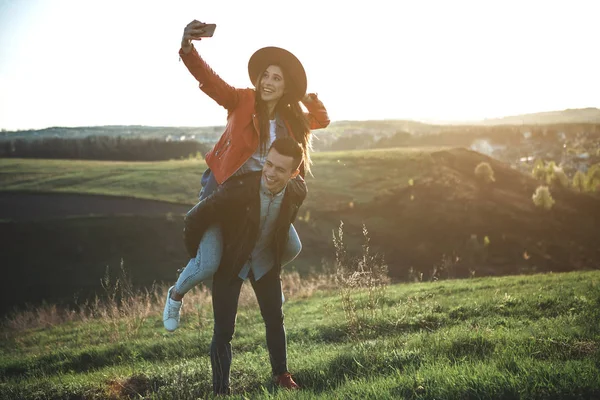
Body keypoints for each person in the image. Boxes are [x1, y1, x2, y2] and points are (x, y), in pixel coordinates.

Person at [163, 20, 330, 331]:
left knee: (292, 247)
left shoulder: (292, 119)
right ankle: (175, 295)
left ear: (285, 87)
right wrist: (188, 49)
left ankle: (258, 269)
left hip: (259, 200)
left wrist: (311, 100)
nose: (267, 81)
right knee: (209, 263)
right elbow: (210, 81)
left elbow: (321, 120)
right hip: (224, 195)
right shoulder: (241, 100)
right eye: (265, 75)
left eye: (276, 78)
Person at [184, 137, 307, 394]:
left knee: (275, 318)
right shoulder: (237, 190)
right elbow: (195, 217)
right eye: (269, 164)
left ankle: (281, 375)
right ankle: (221, 390)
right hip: (232, 261)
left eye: (280, 169)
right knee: (224, 330)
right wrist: (199, 254)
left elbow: (285, 222)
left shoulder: (298, 191)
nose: (271, 173)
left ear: (294, 172)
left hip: (264, 261)